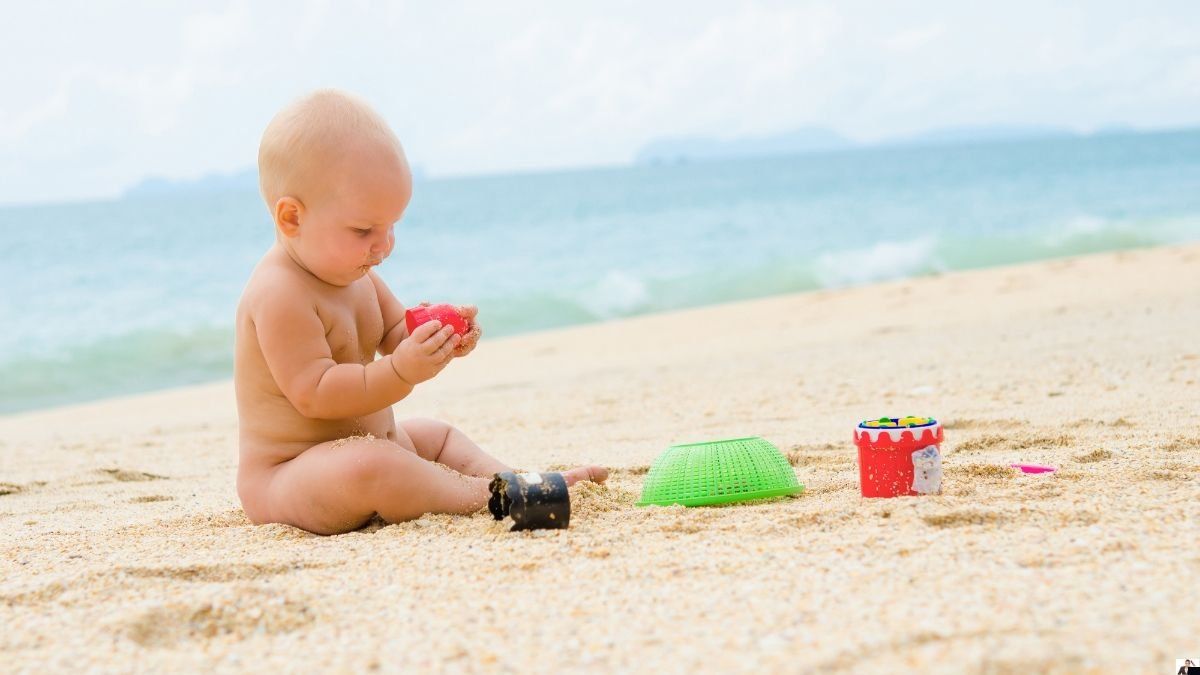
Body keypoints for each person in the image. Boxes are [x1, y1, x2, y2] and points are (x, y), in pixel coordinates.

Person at [234, 89, 607, 535]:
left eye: (392, 226)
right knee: (377, 464)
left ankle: (514, 482)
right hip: (290, 476)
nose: (384, 244)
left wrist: (436, 335)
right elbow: (315, 392)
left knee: (435, 434)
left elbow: (394, 331)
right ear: (292, 218)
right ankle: (490, 498)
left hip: (369, 449)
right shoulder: (280, 293)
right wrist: (402, 371)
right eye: (363, 229)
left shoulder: (354, 273)